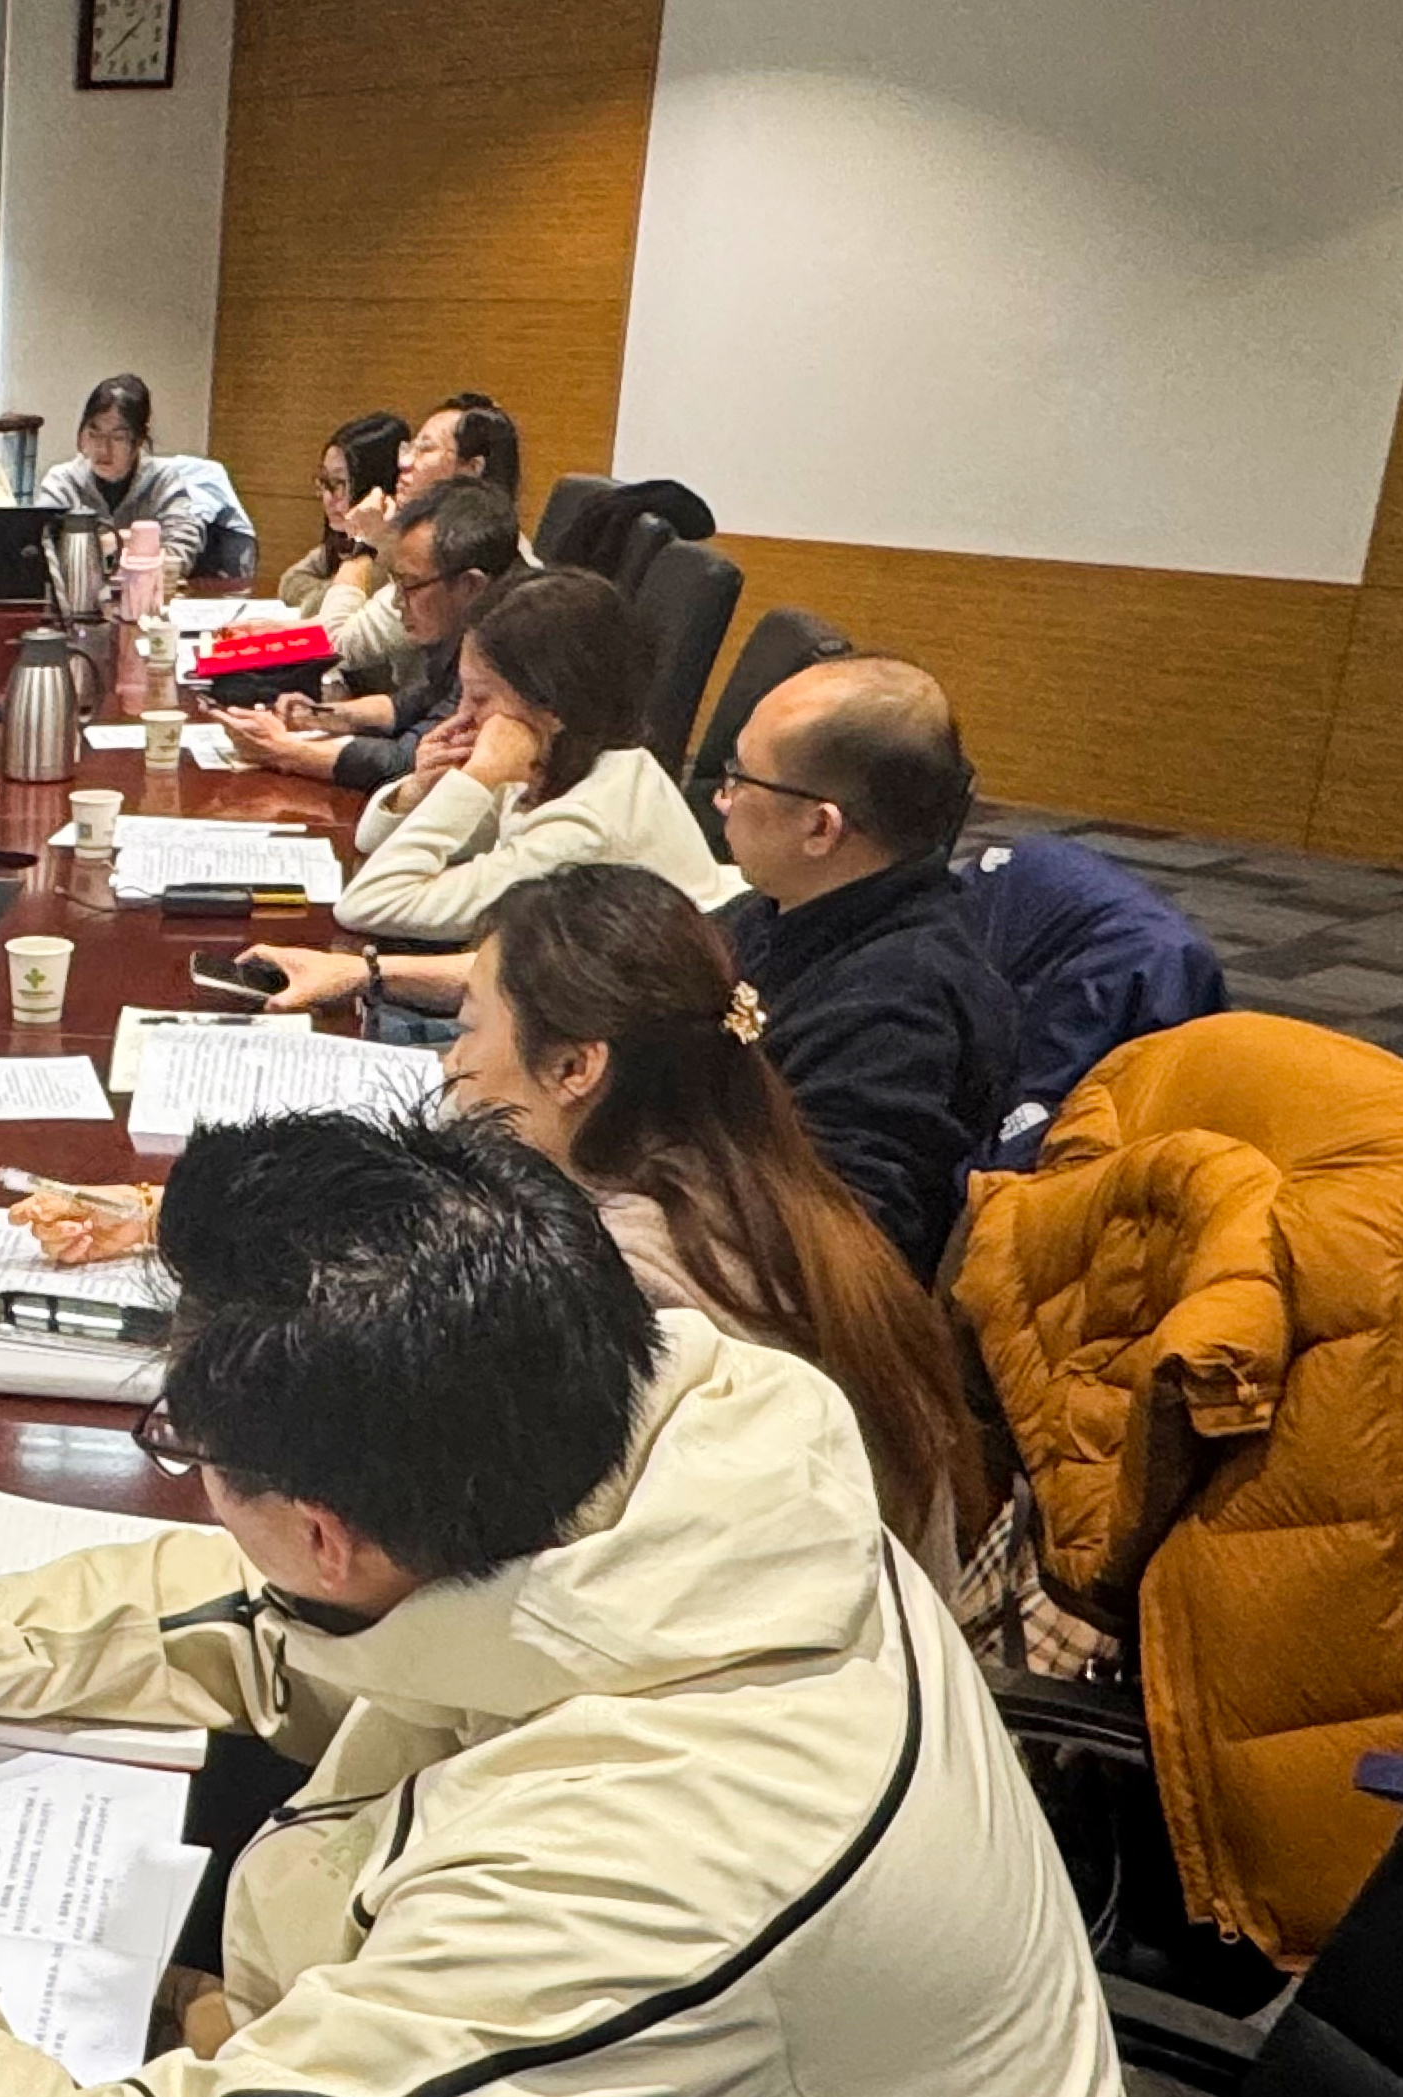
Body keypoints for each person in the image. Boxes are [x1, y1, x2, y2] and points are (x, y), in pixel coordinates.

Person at [0, 1109, 1154, 2097]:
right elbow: (334, 1620)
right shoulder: (677, 1448)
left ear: (319, 1528)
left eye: (188, 1452)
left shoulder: (648, 1872)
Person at [436, 863, 986, 1576]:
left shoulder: (623, 1288)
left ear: (575, 1067)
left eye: (468, 1028)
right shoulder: (759, 1179)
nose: (448, 1062)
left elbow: (522, 1565)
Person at [712, 657, 1017, 1279]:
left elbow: (840, 1249)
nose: (721, 800)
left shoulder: (899, 1011)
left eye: (740, 778)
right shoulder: (784, 909)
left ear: (820, 828)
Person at [323, 565, 742, 941]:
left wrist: (472, 782)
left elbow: (370, 902)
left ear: (553, 706)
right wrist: (419, 788)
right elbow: (371, 841)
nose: (462, 716)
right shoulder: (550, 757)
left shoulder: (583, 827)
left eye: (480, 698)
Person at [211, 480, 517, 791]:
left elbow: (409, 761)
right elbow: (414, 703)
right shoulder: (474, 621)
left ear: (470, 585)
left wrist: (283, 750)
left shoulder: (507, 647)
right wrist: (313, 715)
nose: (397, 602)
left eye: (409, 585)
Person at [326, 392, 523, 694]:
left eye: (426, 449)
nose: (404, 462)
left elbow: (335, 644)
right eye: (409, 448)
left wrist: (365, 545)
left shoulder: (464, 553)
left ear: (471, 469)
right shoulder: (425, 534)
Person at [30, 373, 259, 589]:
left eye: (117, 437)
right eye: (94, 434)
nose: (103, 448)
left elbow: (180, 556)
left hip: (147, 601)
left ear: (139, 439)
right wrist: (122, 544)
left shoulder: (165, 481)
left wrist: (115, 550)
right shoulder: (63, 482)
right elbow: (41, 555)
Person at [270, 411, 405, 616]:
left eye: (340, 483)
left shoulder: (392, 545)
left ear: (376, 484)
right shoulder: (343, 538)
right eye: (325, 481)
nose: (328, 497)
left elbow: (318, 608)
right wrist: (330, 588)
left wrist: (325, 590)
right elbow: (290, 583)